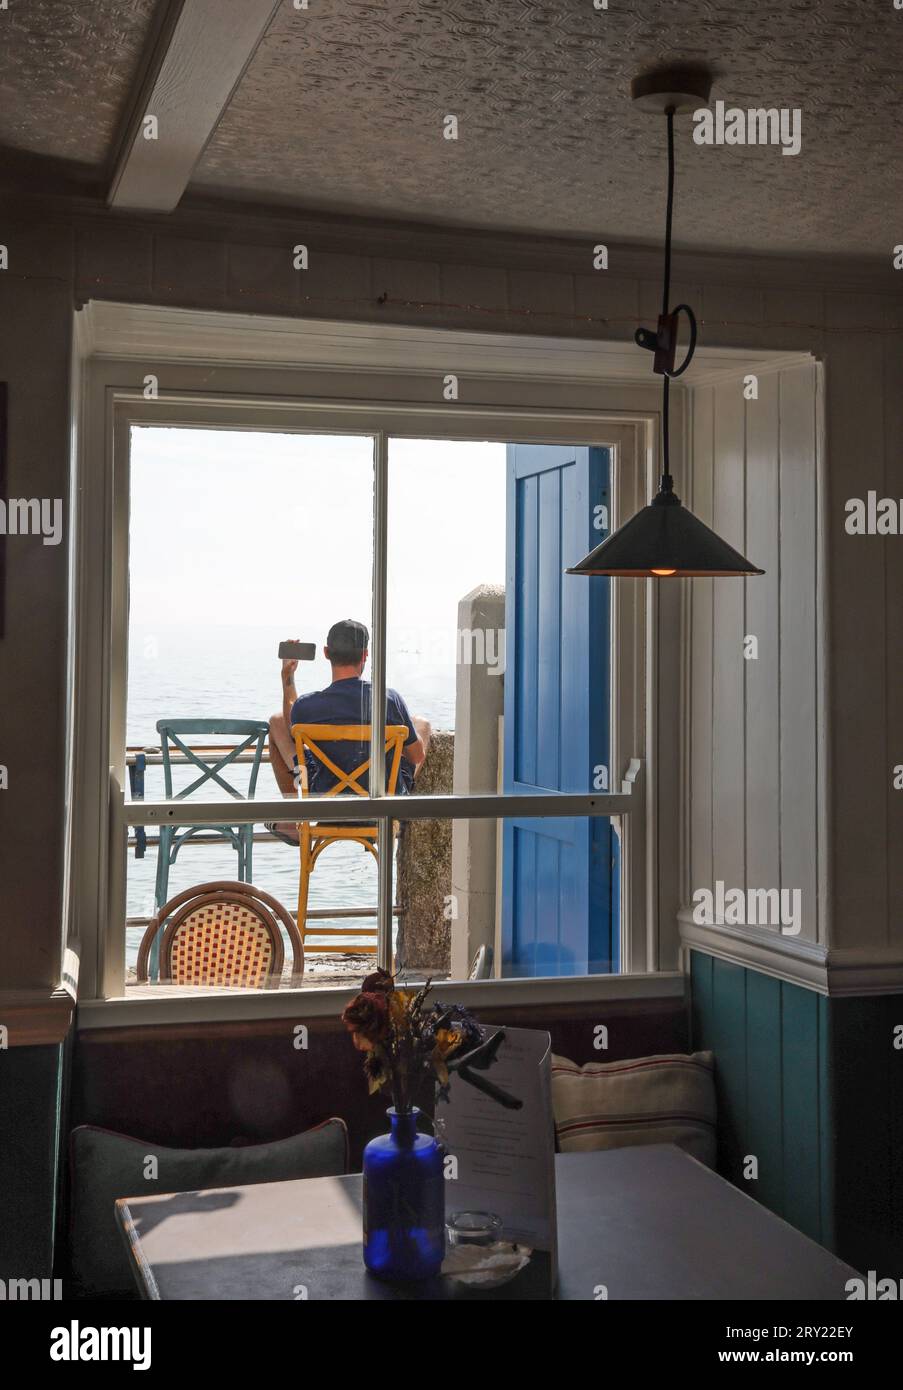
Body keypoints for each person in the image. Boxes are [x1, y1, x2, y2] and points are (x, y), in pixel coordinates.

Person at [265, 618, 431, 845]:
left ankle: (295, 819)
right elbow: (416, 756)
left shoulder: (308, 706)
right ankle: (396, 816)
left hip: (324, 801)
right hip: (380, 801)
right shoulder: (388, 699)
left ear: (326, 653)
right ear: (365, 655)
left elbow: (289, 719)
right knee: (422, 724)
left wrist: (288, 677)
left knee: (276, 721)